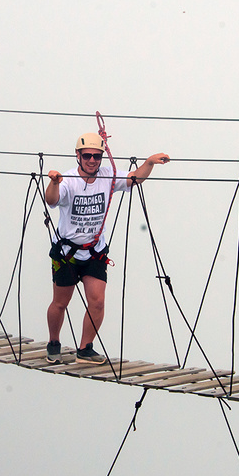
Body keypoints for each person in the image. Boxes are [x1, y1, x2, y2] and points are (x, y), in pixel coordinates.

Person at [45, 132, 170, 363]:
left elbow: (135, 179)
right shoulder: (68, 180)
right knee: (61, 303)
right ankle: (54, 342)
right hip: (67, 254)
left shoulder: (108, 176)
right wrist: (53, 181)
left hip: (94, 252)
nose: (92, 160)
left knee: (98, 302)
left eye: (97, 156)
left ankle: (85, 348)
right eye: (87, 156)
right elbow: (51, 200)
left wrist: (149, 162)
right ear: (78, 156)